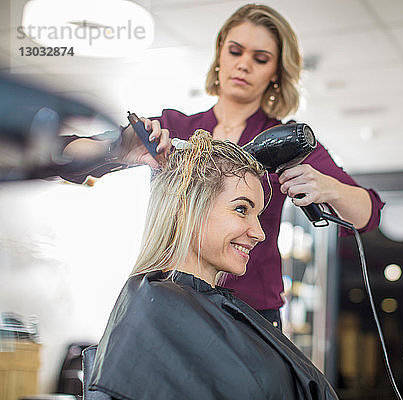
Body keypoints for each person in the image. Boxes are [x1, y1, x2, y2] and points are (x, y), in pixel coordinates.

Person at [63, 4, 384, 327]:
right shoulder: (174, 128)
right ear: (220, 55)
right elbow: (64, 155)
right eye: (235, 51)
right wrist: (115, 150)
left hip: (250, 314)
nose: (244, 65)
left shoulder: (284, 141)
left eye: (260, 59)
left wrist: (330, 188)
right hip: (172, 300)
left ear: (276, 73)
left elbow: (369, 213)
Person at [89, 130, 339, 399]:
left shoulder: (191, 306)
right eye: (242, 209)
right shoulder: (156, 312)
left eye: (258, 215)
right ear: (186, 207)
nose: (259, 232)